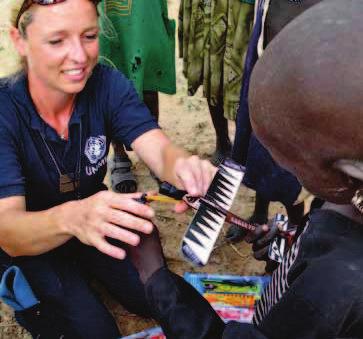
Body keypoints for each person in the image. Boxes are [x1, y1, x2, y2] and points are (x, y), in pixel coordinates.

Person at [128, 1, 363, 337]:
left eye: (287, 156)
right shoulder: (347, 197)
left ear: (344, 169)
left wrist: (155, 278)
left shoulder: (336, 291)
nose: (277, 163)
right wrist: (293, 245)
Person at [0, 0, 216, 338]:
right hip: (33, 239)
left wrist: (183, 166)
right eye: (57, 41)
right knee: (93, 329)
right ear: (20, 41)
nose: (79, 55)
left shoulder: (104, 82)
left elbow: (157, 148)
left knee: (161, 294)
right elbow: (9, 231)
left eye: (89, 35)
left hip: (95, 215)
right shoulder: (4, 111)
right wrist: (72, 217)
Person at [98, 0, 176, 193]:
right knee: (109, 68)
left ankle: (154, 155)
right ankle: (119, 154)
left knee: (147, 66)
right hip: (108, 7)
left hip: (143, 7)